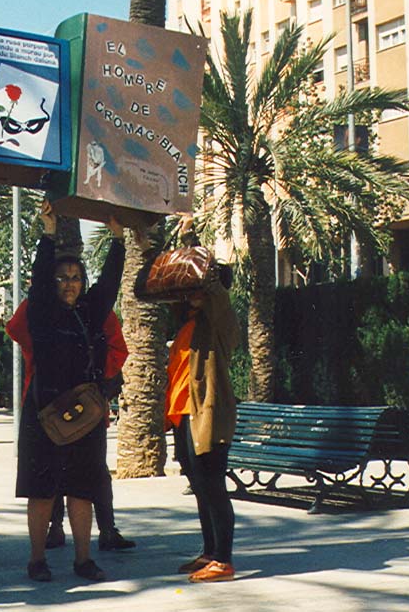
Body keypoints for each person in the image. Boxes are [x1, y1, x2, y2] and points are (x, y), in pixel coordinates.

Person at [17, 200, 125, 584]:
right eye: (62, 278)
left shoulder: (89, 312)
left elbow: (109, 285)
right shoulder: (40, 312)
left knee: (83, 489)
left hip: (85, 414)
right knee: (42, 490)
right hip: (44, 412)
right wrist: (48, 233)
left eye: (76, 278)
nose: (69, 283)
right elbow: (38, 276)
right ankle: (36, 559)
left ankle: (83, 559)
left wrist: (117, 241)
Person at [146, 217, 241, 583]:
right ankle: (209, 551)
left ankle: (224, 558)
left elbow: (209, 282)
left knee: (213, 484)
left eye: (200, 289)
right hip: (183, 414)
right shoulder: (188, 322)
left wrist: (192, 237)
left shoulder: (219, 321)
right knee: (199, 484)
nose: (194, 294)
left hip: (207, 415)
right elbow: (174, 276)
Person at [5, 298, 135, 552]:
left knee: (93, 470)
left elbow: (118, 349)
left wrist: (97, 375)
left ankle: (105, 529)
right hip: (49, 405)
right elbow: (16, 328)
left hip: (84, 407)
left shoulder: (92, 309)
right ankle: (57, 527)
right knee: (53, 470)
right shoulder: (41, 306)